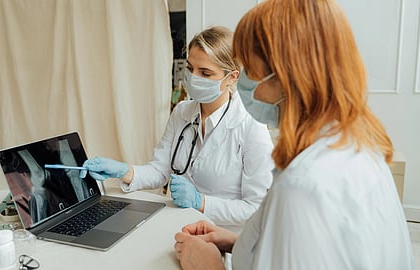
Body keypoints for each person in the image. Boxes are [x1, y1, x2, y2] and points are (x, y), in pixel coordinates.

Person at [173, 0, 416, 269]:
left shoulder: (304, 187)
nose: (244, 85)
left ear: (290, 78)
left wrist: (209, 266)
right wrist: (234, 241)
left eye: (251, 73)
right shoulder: (357, 147)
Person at [80, 26, 274, 233]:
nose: (195, 77)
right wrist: (123, 171)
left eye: (205, 73)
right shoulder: (182, 112)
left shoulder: (250, 125)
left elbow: (257, 209)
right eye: (191, 69)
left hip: (225, 238)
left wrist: (201, 203)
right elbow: (159, 171)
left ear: (232, 77)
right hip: (179, 228)